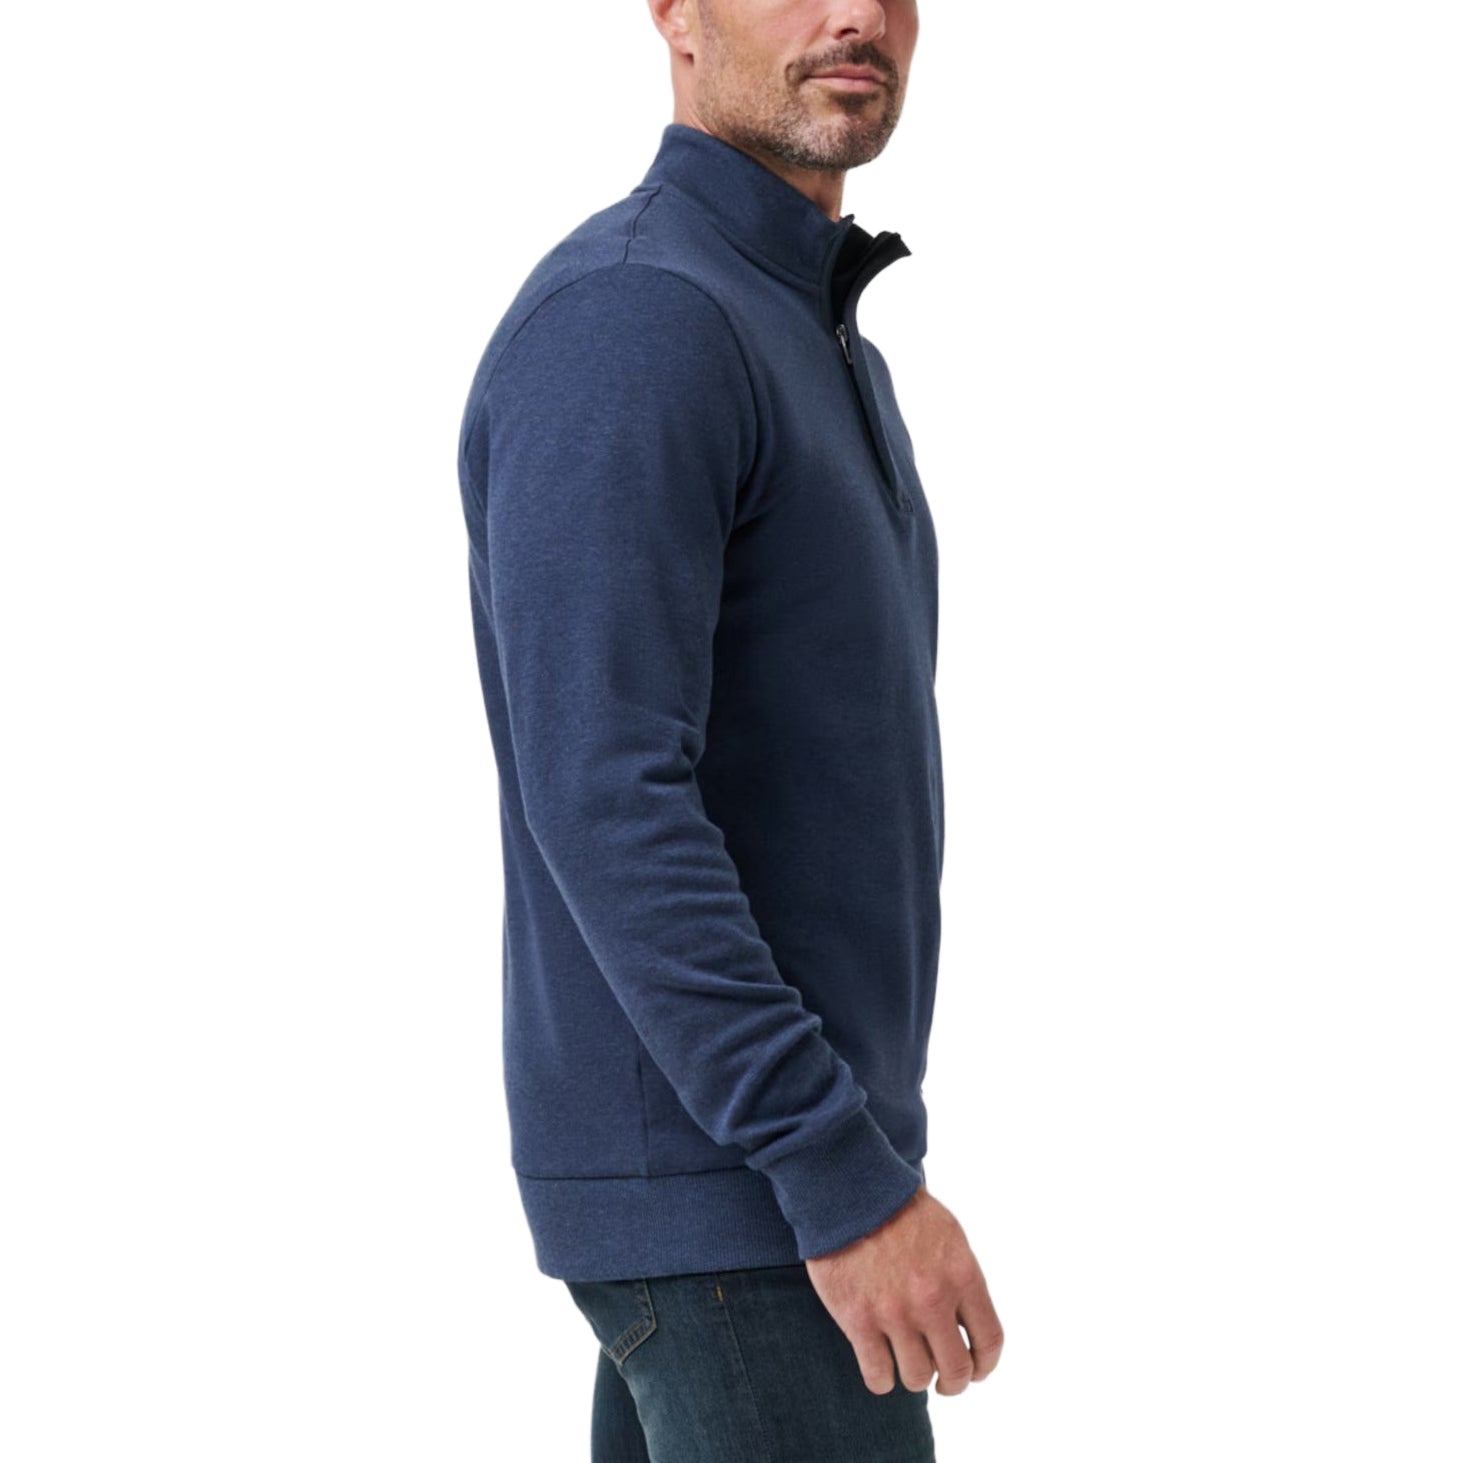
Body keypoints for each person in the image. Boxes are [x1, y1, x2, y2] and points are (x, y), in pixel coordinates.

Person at [455, 1, 1003, 1456]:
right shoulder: (638, 320)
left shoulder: (797, 327)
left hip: (751, 1207)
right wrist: (843, 1179)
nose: (856, 14)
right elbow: (610, 799)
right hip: (752, 1213)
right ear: (673, 12)